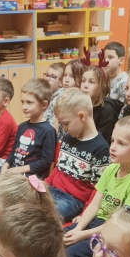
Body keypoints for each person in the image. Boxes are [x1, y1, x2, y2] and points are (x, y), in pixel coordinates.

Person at [62, 116, 130, 257]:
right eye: (113, 141)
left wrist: (82, 235)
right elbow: (95, 204)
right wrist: (78, 228)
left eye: (121, 143)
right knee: (52, 240)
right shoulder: (111, 168)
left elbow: (120, 225)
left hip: (111, 233)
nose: (113, 147)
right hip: (94, 223)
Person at [45, 88, 110, 222]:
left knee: (45, 215)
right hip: (52, 190)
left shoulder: (101, 149)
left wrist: (84, 215)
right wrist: (45, 183)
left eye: (66, 123)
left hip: (72, 200)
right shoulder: (68, 138)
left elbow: (98, 189)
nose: (63, 129)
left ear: (81, 116)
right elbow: (59, 169)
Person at [0, 78, 56, 180]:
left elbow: (45, 162)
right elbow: (14, 151)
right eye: (23, 102)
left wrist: (19, 170)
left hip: (31, 176)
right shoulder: (22, 126)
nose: (24, 107)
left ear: (44, 105)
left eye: (29, 102)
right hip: (14, 169)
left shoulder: (48, 131)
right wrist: (6, 164)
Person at [81, 65, 122, 145]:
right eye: (83, 81)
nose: (85, 85)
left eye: (91, 82)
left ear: (102, 86)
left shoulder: (106, 110)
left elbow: (103, 142)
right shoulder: (80, 105)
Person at [57, 59, 86, 140]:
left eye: (72, 76)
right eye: (65, 75)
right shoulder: (60, 96)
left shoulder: (82, 102)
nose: (66, 80)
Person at [43, 62, 65, 126]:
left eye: (53, 77)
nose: (47, 79)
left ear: (61, 82)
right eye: (47, 75)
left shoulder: (60, 98)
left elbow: (53, 125)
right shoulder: (48, 94)